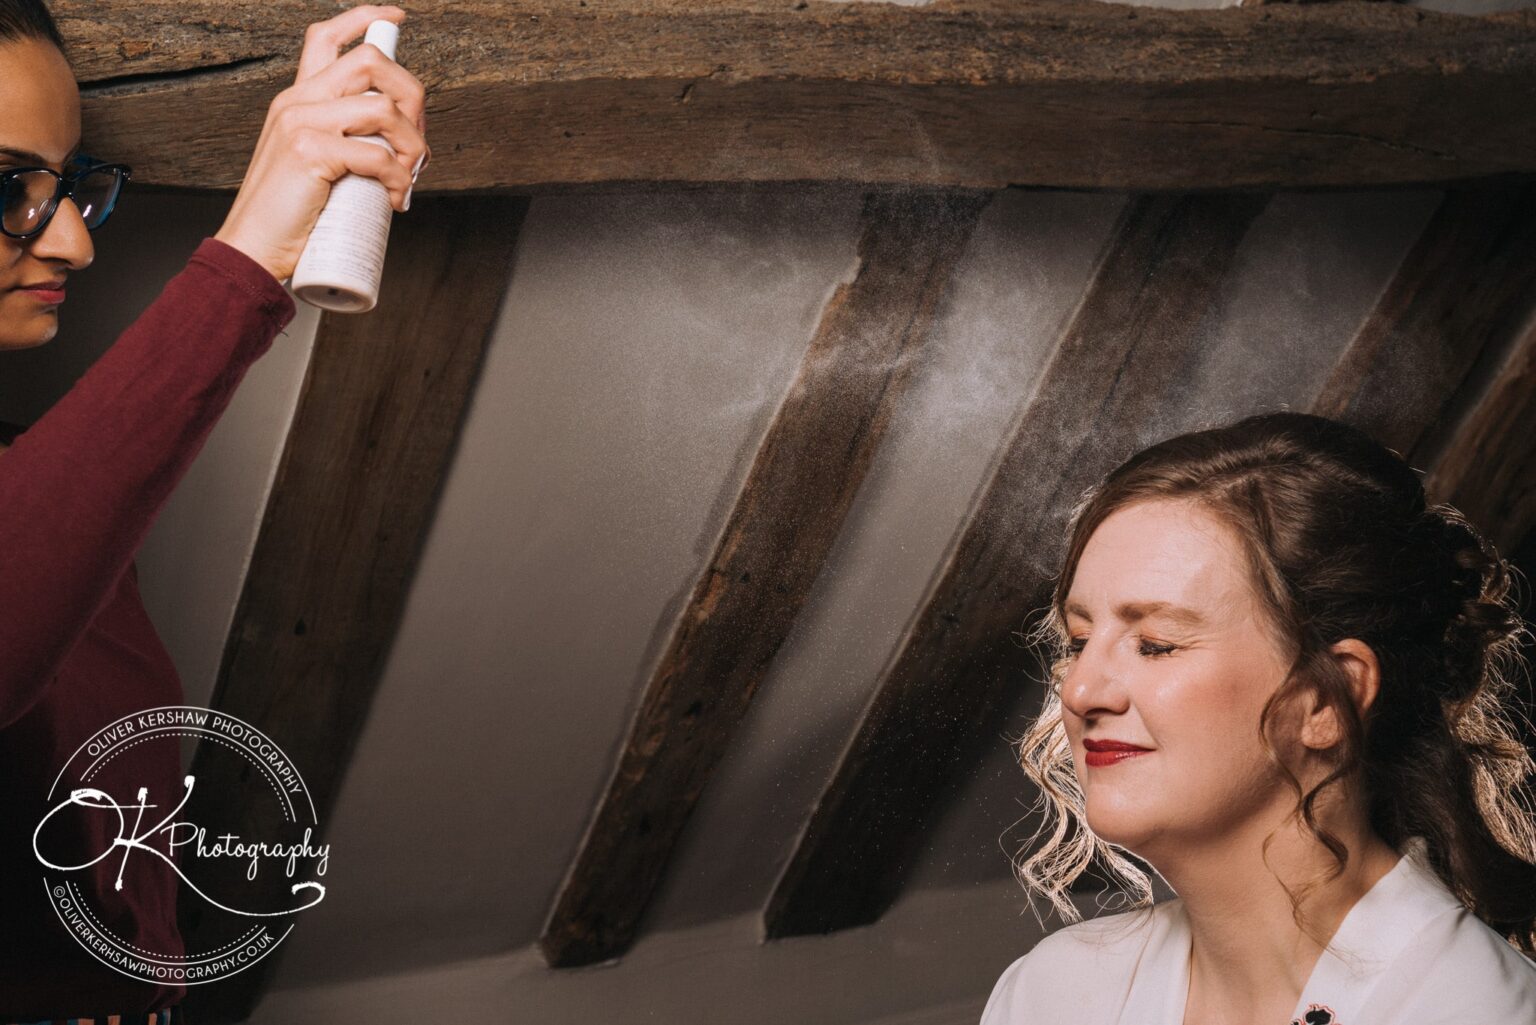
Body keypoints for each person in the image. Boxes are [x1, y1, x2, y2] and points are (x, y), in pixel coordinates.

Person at [0, 1, 428, 1019]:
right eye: (10, 186)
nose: (73, 241)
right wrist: (245, 261)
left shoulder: (48, 484)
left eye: (71, 187)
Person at [979, 411, 1536, 1024]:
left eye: (1157, 643)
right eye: (1079, 641)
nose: (1081, 690)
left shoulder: (1481, 1009)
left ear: (1328, 702)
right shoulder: (1051, 994)